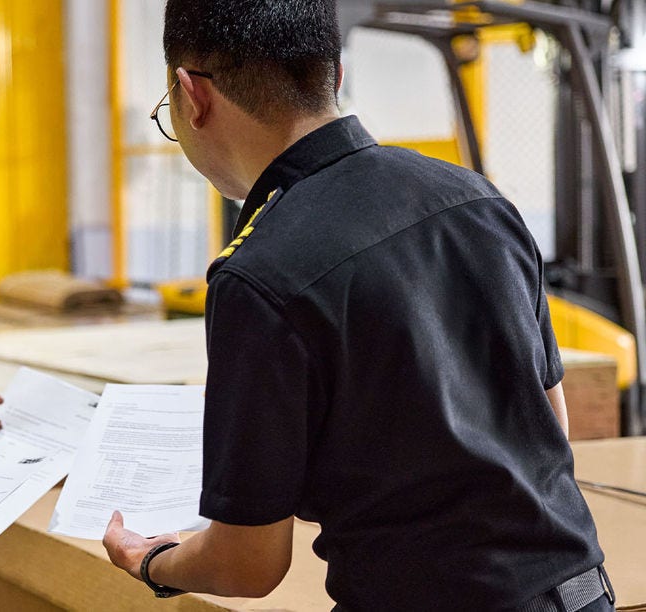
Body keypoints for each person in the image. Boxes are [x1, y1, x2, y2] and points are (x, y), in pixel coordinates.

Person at [102, 1, 613, 610]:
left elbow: (248, 564)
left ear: (192, 96)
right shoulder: (474, 199)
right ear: (335, 75)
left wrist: (151, 559)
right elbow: (550, 429)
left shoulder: (260, 275)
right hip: (581, 595)